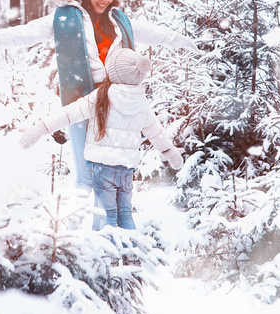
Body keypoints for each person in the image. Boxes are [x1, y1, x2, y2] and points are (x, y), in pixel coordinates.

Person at [0, 0, 197, 205]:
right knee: (86, 176)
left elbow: (154, 33)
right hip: (81, 101)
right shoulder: (65, 19)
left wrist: (186, 42)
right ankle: (72, 228)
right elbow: (26, 33)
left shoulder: (119, 20)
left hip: (117, 104)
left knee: (112, 175)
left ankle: (110, 225)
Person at [19, 48, 183, 229]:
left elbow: (69, 114)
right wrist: (172, 154)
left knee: (107, 217)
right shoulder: (141, 103)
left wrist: (39, 129)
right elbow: (157, 133)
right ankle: (132, 254)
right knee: (126, 216)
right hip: (126, 170)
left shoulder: (102, 96)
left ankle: (105, 255)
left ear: (114, 72)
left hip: (103, 168)